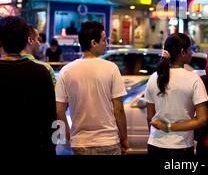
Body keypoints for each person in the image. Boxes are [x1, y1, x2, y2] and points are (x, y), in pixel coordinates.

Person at [55, 21, 129, 155]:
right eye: (104, 40)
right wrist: (124, 138)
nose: (106, 43)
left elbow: (59, 112)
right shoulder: (111, 69)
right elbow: (119, 109)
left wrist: (68, 137)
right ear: (93, 43)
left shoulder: (66, 71)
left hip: (80, 143)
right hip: (108, 142)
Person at [145, 32, 208, 156]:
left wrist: (160, 132)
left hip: (155, 144)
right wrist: (168, 127)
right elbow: (203, 120)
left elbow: (150, 117)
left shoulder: (153, 78)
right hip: (181, 146)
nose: (192, 52)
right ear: (182, 52)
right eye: (191, 49)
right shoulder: (193, 79)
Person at [0, 16, 56, 155]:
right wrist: (50, 148)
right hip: (32, 146)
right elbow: (50, 118)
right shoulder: (41, 72)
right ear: (26, 40)